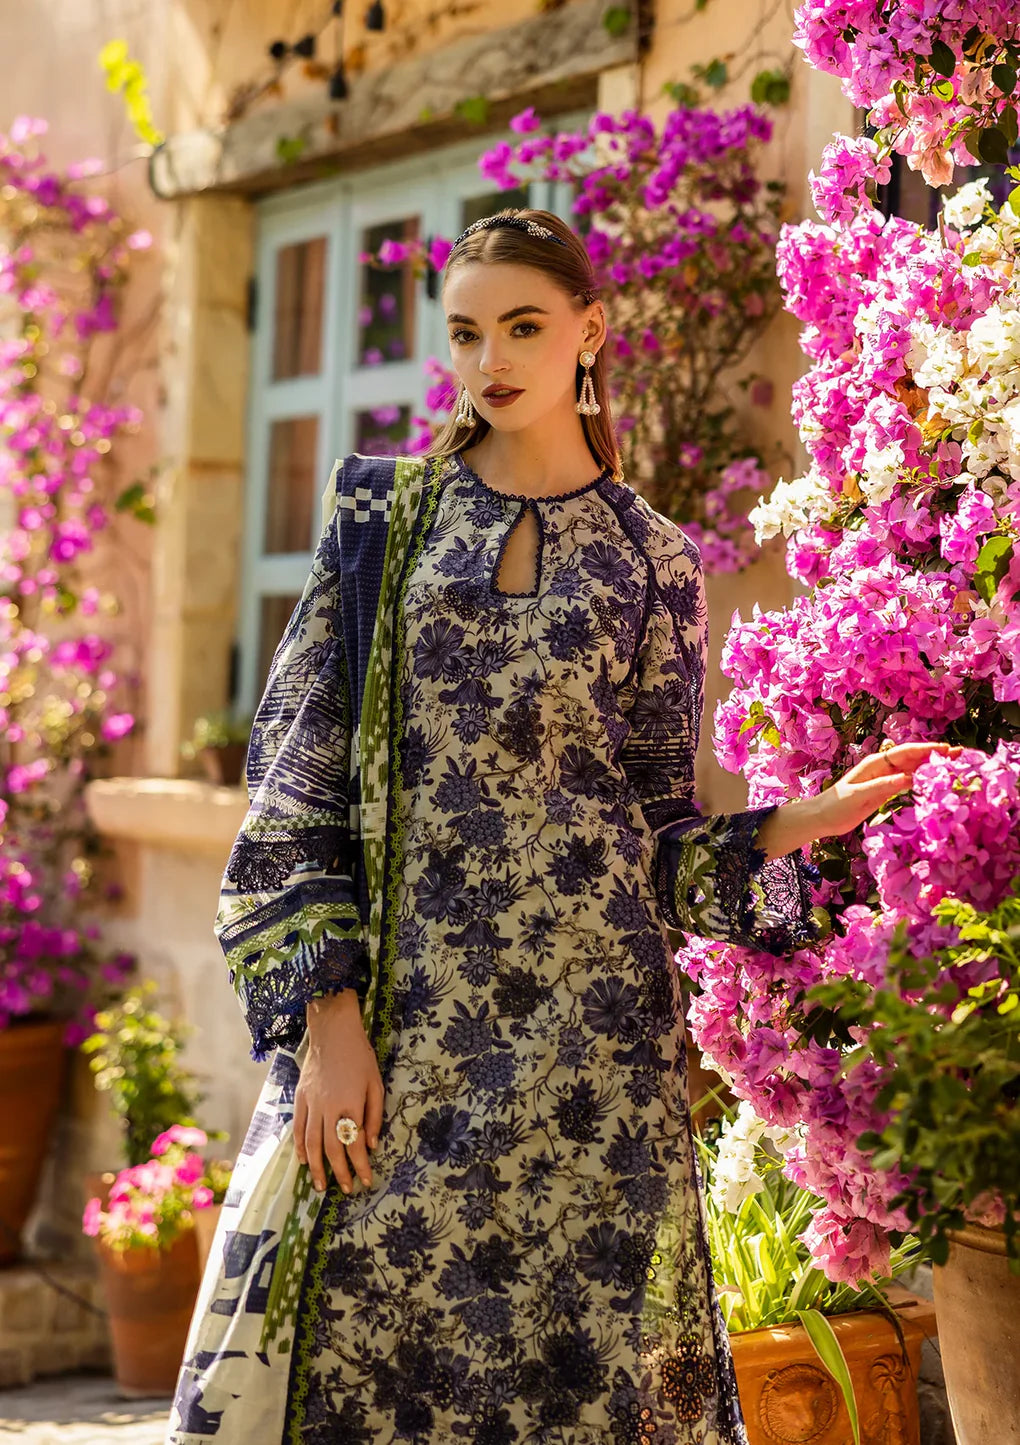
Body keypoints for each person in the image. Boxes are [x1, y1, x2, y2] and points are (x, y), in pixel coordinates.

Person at [166, 208, 958, 1445]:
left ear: (589, 332)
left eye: (524, 326)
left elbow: (655, 833)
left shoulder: (653, 561)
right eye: (469, 330)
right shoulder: (387, 522)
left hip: (592, 1059)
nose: (494, 359)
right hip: (407, 1033)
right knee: (369, 1373)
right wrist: (330, 1021)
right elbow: (295, 783)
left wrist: (814, 813)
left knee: (575, 1393)